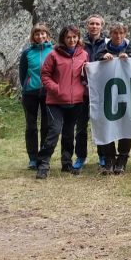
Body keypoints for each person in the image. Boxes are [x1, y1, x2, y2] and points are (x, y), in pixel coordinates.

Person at [35, 25, 90, 179]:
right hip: (55, 102)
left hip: (76, 102)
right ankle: (43, 164)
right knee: (54, 131)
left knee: (68, 134)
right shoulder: (53, 55)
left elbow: (86, 75)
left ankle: (66, 163)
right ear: (63, 39)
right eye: (68, 37)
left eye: (74, 37)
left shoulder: (84, 54)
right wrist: (56, 88)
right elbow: (45, 75)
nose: (72, 40)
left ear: (78, 38)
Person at [94, 22, 131, 174]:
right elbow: (93, 67)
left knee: (125, 125)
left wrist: (129, 61)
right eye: (115, 33)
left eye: (121, 33)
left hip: (126, 95)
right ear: (110, 34)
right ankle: (109, 158)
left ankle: (122, 158)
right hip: (107, 96)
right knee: (107, 124)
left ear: (125, 34)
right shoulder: (102, 49)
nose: (118, 36)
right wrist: (102, 58)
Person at [76, 15, 107, 172]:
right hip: (83, 91)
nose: (94, 26)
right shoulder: (79, 44)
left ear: (102, 26)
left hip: (101, 91)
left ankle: (103, 155)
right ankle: (81, 156)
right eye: (91, 24)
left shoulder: (107, 43)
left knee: (100, 125)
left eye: (97, 24)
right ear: (87, 26)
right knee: (81, 126)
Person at [19, 23, 53, 170]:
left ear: (47, 35)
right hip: (30, 93)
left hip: (48, 93)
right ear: (33, 36)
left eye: (43, 33)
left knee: (46, 125)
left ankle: (43, 156)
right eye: (37, 34)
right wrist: (27, 85)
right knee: (31, 126)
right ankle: (32, 158)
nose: (40, 36)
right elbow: (22, 72)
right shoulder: (27, 53)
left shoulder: (53, 51)